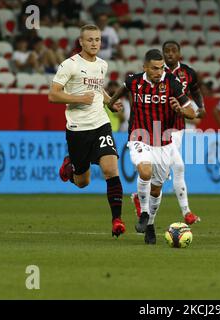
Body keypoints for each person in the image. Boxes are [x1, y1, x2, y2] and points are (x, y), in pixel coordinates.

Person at [108, 49, 196, 244]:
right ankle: (144, 213)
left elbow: (192, 112)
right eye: (154, 68)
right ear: (145, 68)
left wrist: (180, 110)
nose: (159, 72)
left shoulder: (172, 83)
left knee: (156, 189)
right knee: (145, 172)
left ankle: (150, 224)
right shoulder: (135, 81)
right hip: (139, 135)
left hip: (163, 141)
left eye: (161, 68)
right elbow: (123, 89)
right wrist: (111, 103)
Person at [48, 24, 126, 239]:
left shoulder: (102, 64)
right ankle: (70, 165)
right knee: (83, 182)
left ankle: (117, 220)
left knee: (111, 169)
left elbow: (97, 88)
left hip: (100, 124)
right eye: (90, 40)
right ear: (81, 42)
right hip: (77, 129)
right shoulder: (69, 65)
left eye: (97, 40)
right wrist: (79, 99)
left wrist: (110, 102)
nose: (94, 43)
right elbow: (53, 95)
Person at [131, 40, 205, 225]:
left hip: (177, 128)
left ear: (179, 54)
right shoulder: (155, 75)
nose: (170, 54)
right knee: (178, 166)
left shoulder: (187, 72)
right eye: (167, 51)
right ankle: (186, 211)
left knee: (162, 177)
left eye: (174, 51)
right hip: (153, 130)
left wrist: (200, 107)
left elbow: (195, 91)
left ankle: (143, 204)